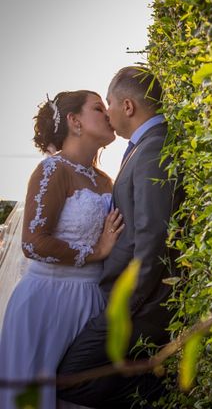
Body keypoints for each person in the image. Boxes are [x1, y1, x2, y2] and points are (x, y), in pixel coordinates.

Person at [58, 66, 183, 408]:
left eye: (109, 103)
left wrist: (125, 305)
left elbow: (152, 235)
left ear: (127, 106)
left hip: (142, 305)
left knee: (70, 380)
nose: (108, 112)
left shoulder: (153, 148)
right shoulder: (142, 147)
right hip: (130, 298)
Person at [0, 90, 124, 409]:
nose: (108, 114)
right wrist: (95, 253)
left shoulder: (106, 181)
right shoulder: (53, 170)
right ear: (74, 121)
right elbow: (33, 243)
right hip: (47, 302)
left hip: (92, 300)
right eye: (98, 108)